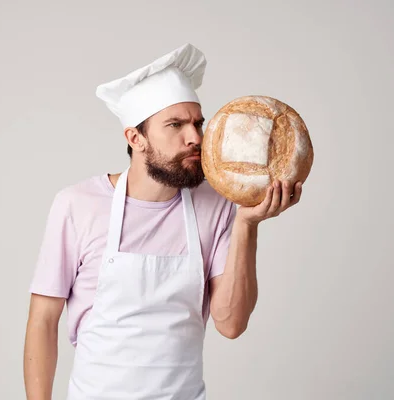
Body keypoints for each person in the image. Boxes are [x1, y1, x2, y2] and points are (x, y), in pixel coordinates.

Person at [23, 43, 302, 400]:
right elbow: (43, 321)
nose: (196, 138)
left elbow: (230, 323)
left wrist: (247, 224)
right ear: (135, 138)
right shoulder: (78, 205)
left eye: (198, 123)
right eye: (176, 125)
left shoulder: (216, 205)